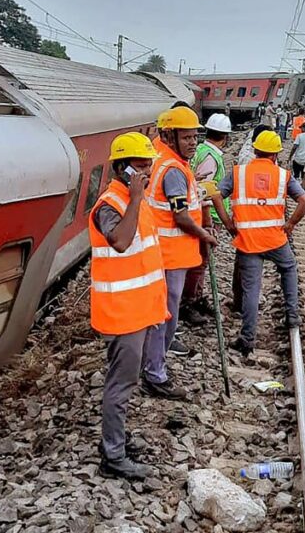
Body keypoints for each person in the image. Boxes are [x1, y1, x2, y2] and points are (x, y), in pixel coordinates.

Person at [89, 132, 167, 479]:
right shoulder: (111, 204)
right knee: (120, 385)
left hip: (138, 308)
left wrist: (137, 197)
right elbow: (120, 242)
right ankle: (113, 456)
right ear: (122, 169)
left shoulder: (133, 198)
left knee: (126, 381)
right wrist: (136, 198)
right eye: (140, 165)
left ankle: (115, 441)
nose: (147, 171)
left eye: (149, 164)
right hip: (121, 312)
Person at [143, 107, 218, 398]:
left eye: (195, 137)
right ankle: (155, 374)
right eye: (186, 137)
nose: (192, 143)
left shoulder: (163, 158)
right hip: (170, 256)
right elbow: (181, 217)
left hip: (164, 253)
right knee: (165, 315)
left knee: (161, 314)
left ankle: (153, 362)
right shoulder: (173, 169)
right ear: (168, 136)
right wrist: (205, 235)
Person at [214, 130, 305, 356]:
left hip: (248, 241)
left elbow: (216, 196)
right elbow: (304, 200)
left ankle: (247, 338)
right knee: (288, 268)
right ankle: (292, 315)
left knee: (251, 290)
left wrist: (228, 222)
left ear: (255, 151)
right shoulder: (283, 175)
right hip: (275, 239)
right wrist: (290, 224)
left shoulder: (239, 173)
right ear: (276, 154)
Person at [181, 113, 233, 327]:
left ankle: (196, 298)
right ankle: (189, 303)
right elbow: (206, 193)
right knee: (200, 263)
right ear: (226, 137)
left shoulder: (201, 150)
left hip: (201, 214)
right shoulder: (211, 157)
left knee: (199, 262)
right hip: (205, 215)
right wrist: (215, 223)